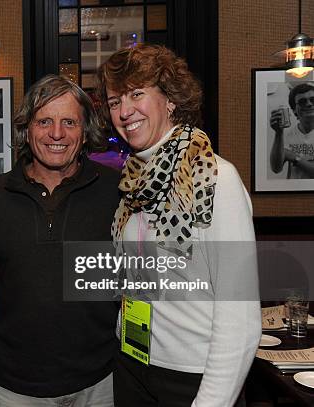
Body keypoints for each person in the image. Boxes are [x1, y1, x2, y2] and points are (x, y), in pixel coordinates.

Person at [97, 43, 260, 406]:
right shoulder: (132, 182)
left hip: (193, 379)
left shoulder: (215, 178)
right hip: (132, 364)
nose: (124, 112)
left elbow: (241, 321)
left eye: (136, 94)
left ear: (169, 99)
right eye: (114, 102)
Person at [0, 74, 121, 406]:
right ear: (27, 129)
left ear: (85, 133)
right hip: (13, 388)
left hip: (99, 384)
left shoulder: (117, 191)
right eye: (44, 121)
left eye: (69, 121)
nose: (57, 134)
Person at [270, 83, 314, 178]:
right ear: (294, 110)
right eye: (302, 102)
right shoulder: (286, 135)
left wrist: (294, 157)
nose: (309, 104)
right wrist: (278, 132)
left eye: (313, 100)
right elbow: (276, 168)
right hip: (294, 191)